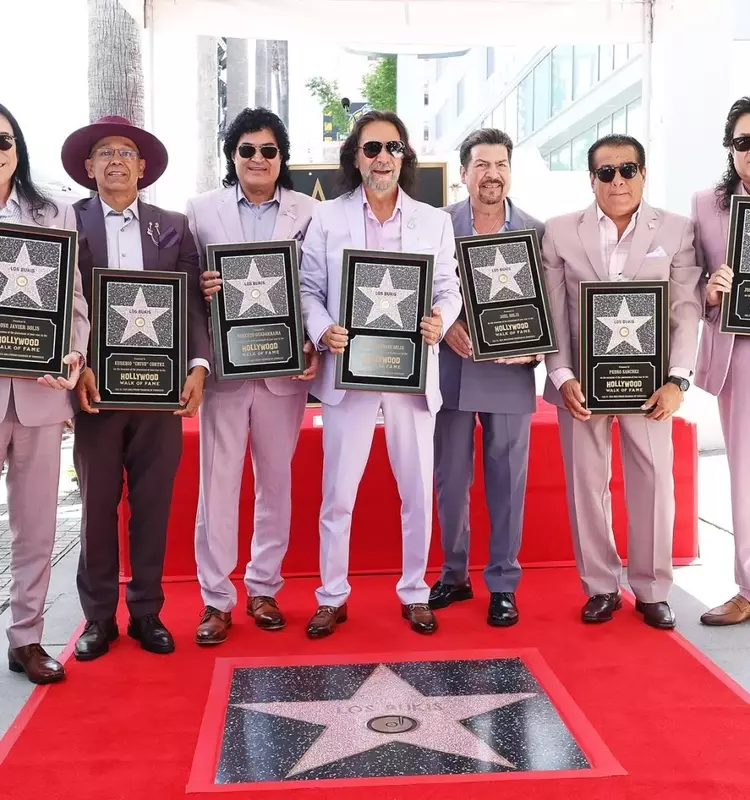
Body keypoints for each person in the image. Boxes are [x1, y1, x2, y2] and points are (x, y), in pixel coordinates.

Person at [299, 110, 462, 638]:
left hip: (412, 375)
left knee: (415, 491)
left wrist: (443, 319)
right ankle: (332, 595)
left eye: (393, 147)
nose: (382, 157)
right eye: (371, 148)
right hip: (348, 375)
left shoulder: (433, 220)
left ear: (404, 156)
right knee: (337, 494)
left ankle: (415, 592)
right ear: (355, 157)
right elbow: (307, 290)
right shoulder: (326, 219)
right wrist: (324, 330)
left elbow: (448, 287)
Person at [60, 116, 211, 660]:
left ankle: (147, 611)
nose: (116, 161)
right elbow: (61, 307)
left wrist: (197, 366)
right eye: (105, 153)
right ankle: (99, 617)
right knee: (97, 505)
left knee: (152, 503)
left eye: (126, 152)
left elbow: (193, 303)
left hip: (161, 392)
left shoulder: (172, 225)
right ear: (89, 167)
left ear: (143, 167)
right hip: (94, 391)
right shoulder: (68, 224)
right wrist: (77, 368)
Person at [542, 134, 702, 630]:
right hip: (581, 387)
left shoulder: (676, 230)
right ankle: (601, 586)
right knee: (586, 484)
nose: (617, 181)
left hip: (650, 385)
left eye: (627, 170)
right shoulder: (560, 232)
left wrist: (678, 380)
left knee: (654, 480)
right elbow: (552, 310)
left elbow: (686, 310)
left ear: (644, 174)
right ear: (591, 179)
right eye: (606, 172)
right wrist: (562, 374)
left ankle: (653, 588)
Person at [187, 108, 318, 646]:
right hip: (224, 370)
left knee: (275, 483)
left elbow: (321, 285)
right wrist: (201, 285)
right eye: (247, 150)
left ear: (281, 156)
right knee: (216, 486)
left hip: (284, 374)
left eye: (268, 150)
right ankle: (216, 599)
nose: (258, 159)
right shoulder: (199, 212)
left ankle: (263, 587)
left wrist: (312, 339)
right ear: (232, 156)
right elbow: (181, 288)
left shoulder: (312, 211)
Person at [430, 128, 544, 627]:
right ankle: (454, 574)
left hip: (509, 374)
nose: (491, 174)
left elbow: (552, 305)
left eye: (500, 164)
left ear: (510, 171)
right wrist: (448, 325)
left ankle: (503, 582)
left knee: (507, 482)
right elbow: (423, 286)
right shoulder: (436, 225)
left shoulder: (536, 233)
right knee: (451, 480)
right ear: (463, 173)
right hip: (451, 367)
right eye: (481, 164)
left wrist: (537, 346)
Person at [0, 104, 89, 683]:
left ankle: (27, 638)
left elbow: (74, 299)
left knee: (35, 524)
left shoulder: (51, 212)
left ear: (18, 146)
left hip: (38, 391)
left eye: (3, 138)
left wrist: (74, 351)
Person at [693, 97, 750, 626]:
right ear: (730, 149)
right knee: (746, 475)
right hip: (743, 351)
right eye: (743, 142)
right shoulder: (706, 206)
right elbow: (684, 278)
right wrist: (710, 293)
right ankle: (748, 587)